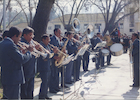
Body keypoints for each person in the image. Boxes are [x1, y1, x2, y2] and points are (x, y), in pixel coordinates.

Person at [0, 27, 31, 99]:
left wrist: (21, 53)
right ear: (14, 36)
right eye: (19, 37)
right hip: (13, 79)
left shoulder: (2, 43)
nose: (20, 39)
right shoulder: (10, 45)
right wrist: (29, 52)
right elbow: (22, 59)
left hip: (6, 77)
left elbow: (11, 57)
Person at [20, 27, 40, 99]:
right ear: (24, 35)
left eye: (32, 35)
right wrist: (32, 49)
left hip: (32, 69)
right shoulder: (21, 43)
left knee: (30, 90)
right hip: (25, 69)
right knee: (24, 91)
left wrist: (36, 49)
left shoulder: (31, 42)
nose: (32, 37)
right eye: (30, 35)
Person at [37, 34, 58, 99]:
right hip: (43, 67)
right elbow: (45, 56)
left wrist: (54, 53)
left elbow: (49, 55)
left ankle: (45, 94)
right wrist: (53, 52)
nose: (49, 41)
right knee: (44, 82)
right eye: (48, 40)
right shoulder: (41, 46)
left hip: (48, 66)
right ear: (43, 39)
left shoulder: (47, 46)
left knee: (47, 82)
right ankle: (41, 96)